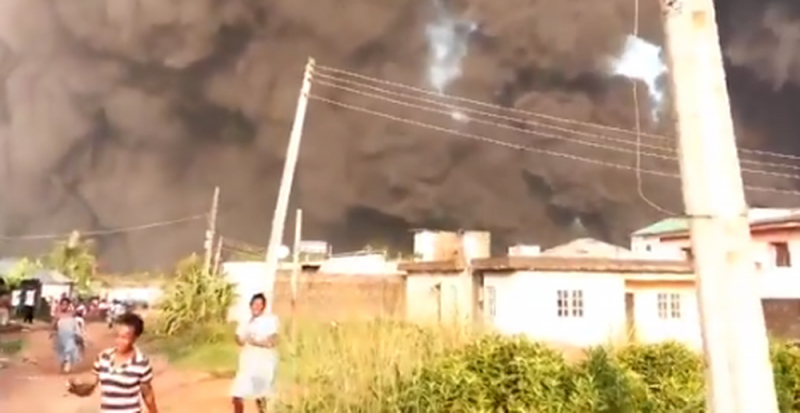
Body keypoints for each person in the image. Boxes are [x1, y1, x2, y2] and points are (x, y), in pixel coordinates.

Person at [67, 312, 159, 413]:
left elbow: (148, 395)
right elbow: (90, 387)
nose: (119, 341)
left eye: (124, 337)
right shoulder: (103, 357)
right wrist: (76, 389)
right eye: (117, 336)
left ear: (135, 338)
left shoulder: (141, 363)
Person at [230, 293, 280, 413]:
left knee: (261, 396)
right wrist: (241, 340)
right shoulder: (245, 321)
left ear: (263, 307)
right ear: (250, 305)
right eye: (255, 304)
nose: (257, 307)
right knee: (237, 394)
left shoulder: (270, 320)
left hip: (264, 363)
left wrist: (256, 342)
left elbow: (273, 340)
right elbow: (238, 337)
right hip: (247, 363)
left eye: (260, 304)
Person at [52, 298, 82, 373]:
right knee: (61, 352)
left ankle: (67, 364)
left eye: (66, 304)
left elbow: (75, 324)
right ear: (60, 305)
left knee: (70, 349)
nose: (64, 306)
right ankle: (63, 363)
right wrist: (52, 332)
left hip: (70, 334)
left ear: (69, 305)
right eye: (63, 304)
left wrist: (78, 334)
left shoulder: (72, 314)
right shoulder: (57, 315)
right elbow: (54, 325)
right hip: (61, 335)